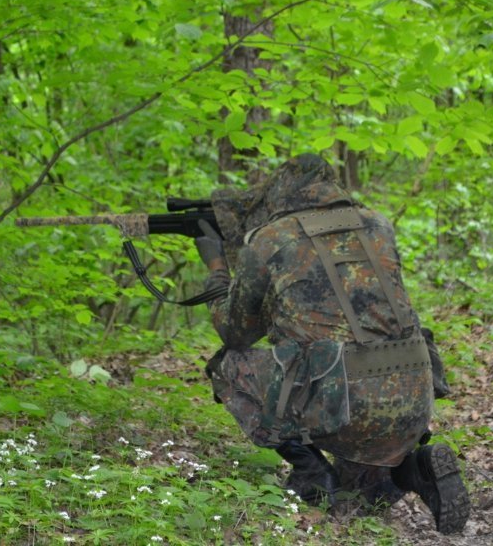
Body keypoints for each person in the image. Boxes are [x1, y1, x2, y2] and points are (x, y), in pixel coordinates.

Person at [194, 153, 470, 534]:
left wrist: (216, 267)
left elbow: (235, 332)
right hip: (413, 399)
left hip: (340, 406)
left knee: (228, 366)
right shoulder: (377, 225)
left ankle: (311, 472)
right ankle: (414, 467)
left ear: (280, 192)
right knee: (366, 490)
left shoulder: (272, 238)